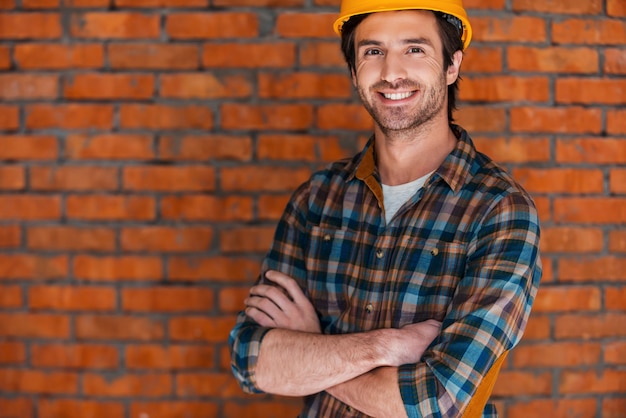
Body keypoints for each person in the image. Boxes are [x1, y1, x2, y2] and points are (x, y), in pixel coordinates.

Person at [228, 0, 542, 416]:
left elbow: (430, 402)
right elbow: (251, 360)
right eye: (373, 51)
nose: (392, 73)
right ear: (355, 71)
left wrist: (313, 344)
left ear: (451, 66)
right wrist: (385, 347)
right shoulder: (318, 199)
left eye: (415, 49)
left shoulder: (500, 212)